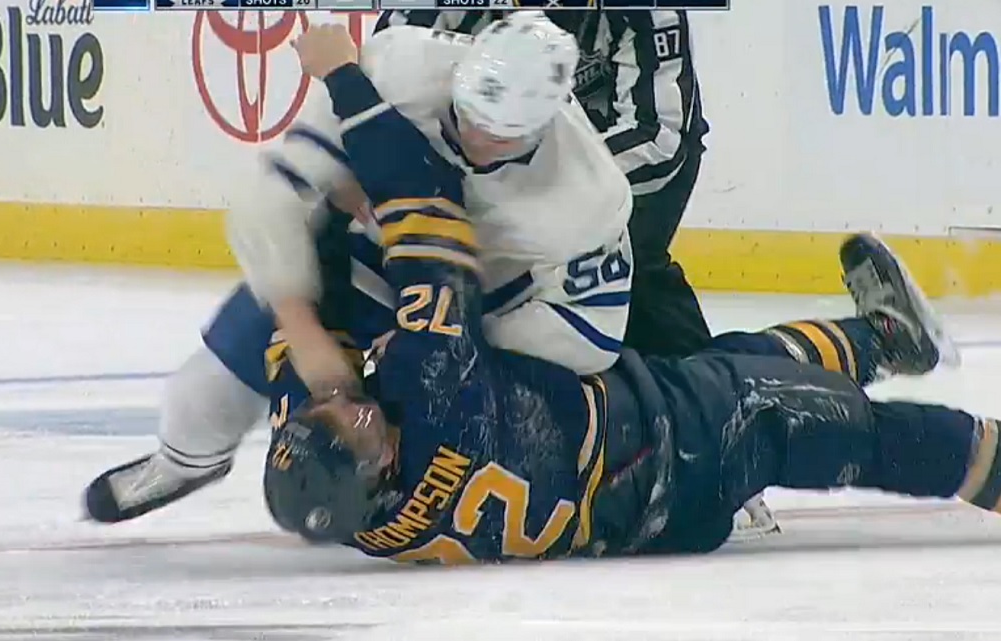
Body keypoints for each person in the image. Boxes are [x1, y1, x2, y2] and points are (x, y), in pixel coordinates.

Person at [258, 30, 980, 562]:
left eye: (328, 409)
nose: (349, 404)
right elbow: (424, 217)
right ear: (383, 468)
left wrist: (303, 254)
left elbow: (302, 329)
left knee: (734, 361)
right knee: (856, 433)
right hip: (682, 457)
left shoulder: (354, 494)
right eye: (358, 427)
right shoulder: (436, 393)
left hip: (629, 429)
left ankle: (883, 337)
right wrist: (344, 82)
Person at [83, 15, 638, 525]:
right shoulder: (401, 65)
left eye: (499, 135)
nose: (474, 138)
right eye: (465, 113)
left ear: (548, 123)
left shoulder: (589, 196)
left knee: (437, 421)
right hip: (373, 257)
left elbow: (590, 336)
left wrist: (452, 349)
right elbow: (271, 195)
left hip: (484, 303)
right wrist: (300, 324)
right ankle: (185, 461)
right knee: (204, 390)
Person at [369, 8, 790, 535]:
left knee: (637, 276)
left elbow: (659, 137)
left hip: (614, 171)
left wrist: (541, 183)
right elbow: (391, 57)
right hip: (476, 145)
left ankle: (721, 430)